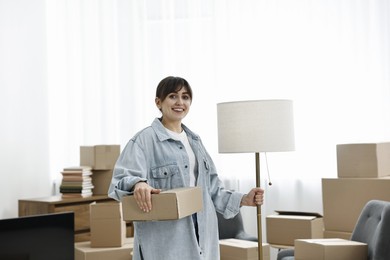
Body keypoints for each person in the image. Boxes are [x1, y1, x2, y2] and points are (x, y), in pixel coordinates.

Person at [108, 76, 264, 260]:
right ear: (159, 102)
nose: (180, 102)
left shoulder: (196, 142)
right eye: (173, 96)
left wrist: (245, 199)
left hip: (203, 240)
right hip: (165, 243)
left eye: (186, 97)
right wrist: (138, 184)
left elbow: (213, 190)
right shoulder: (143, 141)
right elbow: (118, 183)